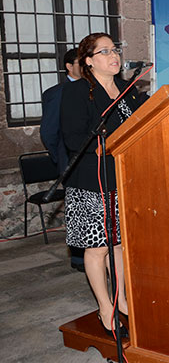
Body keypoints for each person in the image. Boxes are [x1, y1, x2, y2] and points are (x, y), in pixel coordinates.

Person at [60, 33, 146, 338]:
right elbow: (72, 137)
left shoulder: (128, 91)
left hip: (123, 177)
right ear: (89, 60)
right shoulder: (78, 92)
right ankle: (105, 308)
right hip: (91, 180)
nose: (114, 56)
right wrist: (100, 145)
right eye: (105, 51)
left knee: (119, 244)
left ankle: (122, 300)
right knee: (97, 248)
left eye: (115, 50)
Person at [40, 49, 85, 272]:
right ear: (69, 66)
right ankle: (79, 258)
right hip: (71, 162)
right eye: (81, 63)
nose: (86, 67)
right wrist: (62, 160)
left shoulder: (92, 89)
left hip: (91, 161)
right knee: (77, 210)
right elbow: (48, 132)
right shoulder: (58, 93)